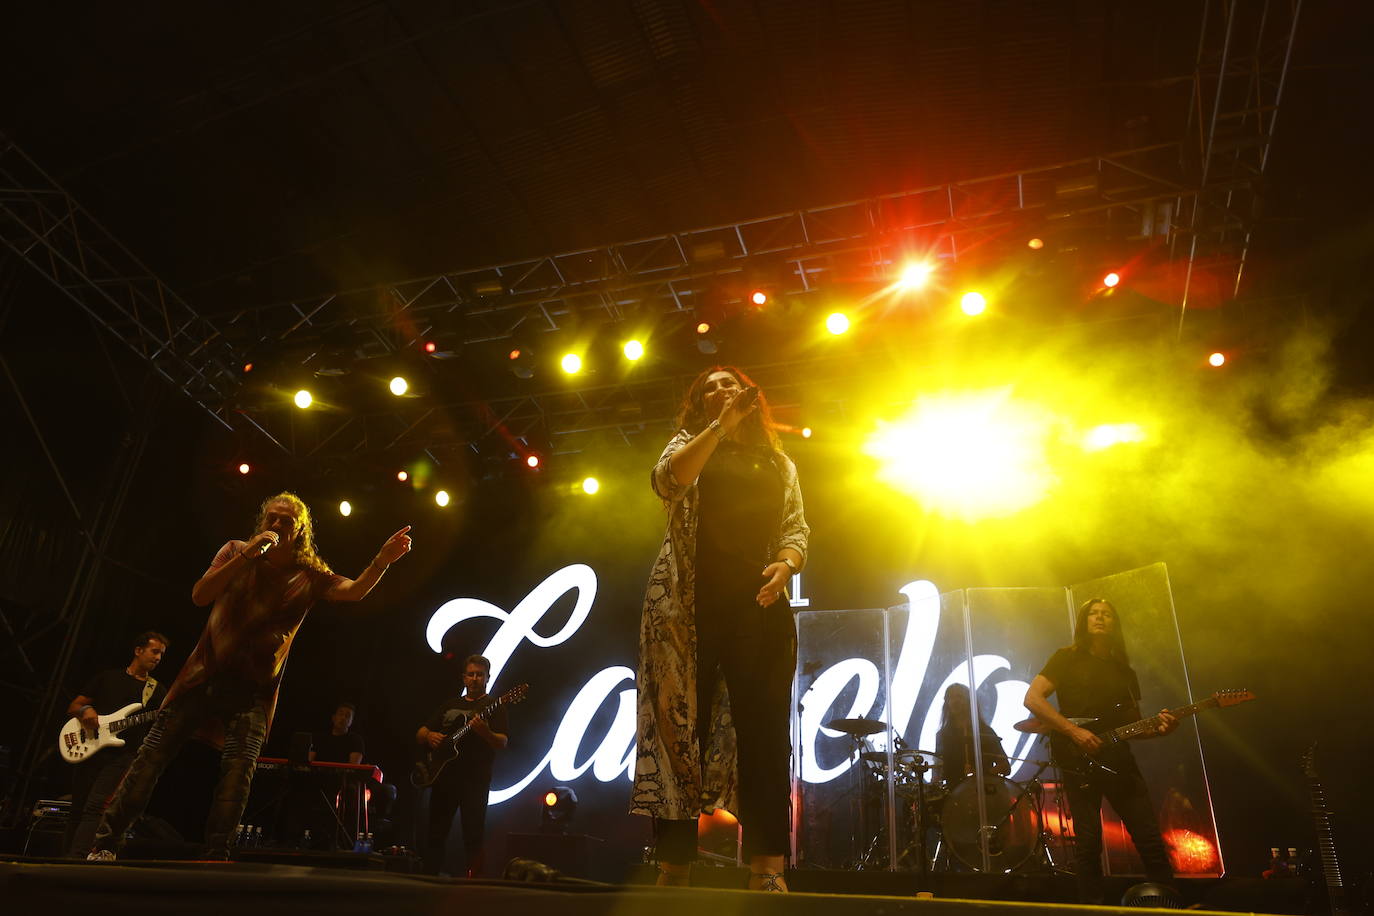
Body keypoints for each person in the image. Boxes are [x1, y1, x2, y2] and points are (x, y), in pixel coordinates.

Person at [87, 492, 412, 860]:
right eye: (271, 518)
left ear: (300, 528)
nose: (276, 524)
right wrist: (247, 554)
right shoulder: (235, 551)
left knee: (238, 774)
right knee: (150, 759)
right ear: (262, 522)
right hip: (201, 677)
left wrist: (381, 561)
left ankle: (217, 852)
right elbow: (200, 595)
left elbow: (353, 592)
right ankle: (105, 843)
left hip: (253, 690)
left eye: (286, 520)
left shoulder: (308, 575)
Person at [632, 366, 809, 893]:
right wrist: (719, 427)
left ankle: (767, 869)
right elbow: (669, 480)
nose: (720, 391)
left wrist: (788, 562)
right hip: (688, 614)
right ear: (698, 404)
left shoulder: (779, 462)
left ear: (751, 396)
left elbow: (795, 526)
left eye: (729, 384)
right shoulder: (689, 444)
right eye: (708, 387)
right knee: (681, 736)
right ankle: (674, 867)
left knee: (764, 736)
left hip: (758, 609)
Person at [1022, 598, 1178, 904]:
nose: (1100, 618)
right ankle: (1091, 909)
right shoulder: (1066, 658)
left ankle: (1171, 907)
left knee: (1149, 840)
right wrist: (1073, 731)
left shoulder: (1124, 670)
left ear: (1114, 623)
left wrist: (1162, 729)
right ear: (1084, 622)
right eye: (1093, 613)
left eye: (1106, 614)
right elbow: (1033, 699)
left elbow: (1134, 727)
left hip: (1119, 761)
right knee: (1088, 843)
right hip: (1078, 760)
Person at [63, 631, 170, 856]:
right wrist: (86, 711)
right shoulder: (107, 678)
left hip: (123, 755)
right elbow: (74, 705)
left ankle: (76, 859)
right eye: (155, 651)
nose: (158, 658)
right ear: (138, 651)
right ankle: (62, 858)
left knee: (95, 807)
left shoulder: (157, 691)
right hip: (90, 748)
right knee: (78, 807)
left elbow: (165, 722)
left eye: (161, 654)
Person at [416, 654, 509, 877]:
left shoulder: (493, 706)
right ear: (464, 678)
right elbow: (420, 732)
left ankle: (474, 887)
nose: (475, 678)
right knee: (436, 834)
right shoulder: (449, 705)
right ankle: (429, 881)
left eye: (480, 675)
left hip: (475, 780)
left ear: (487, 678)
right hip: (443, 777)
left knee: (473, 835)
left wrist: (485, 732)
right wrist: (430, 736)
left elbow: (503, 741)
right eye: (471, 674)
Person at [933, 683, 1009, 786]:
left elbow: (1005, 767)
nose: (955, 701)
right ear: (947, 703)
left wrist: (982, 775)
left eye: (959, 696)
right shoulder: (942, 735)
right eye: (950, 697)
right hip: (953, 794)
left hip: (983, 792)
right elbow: (937, 769)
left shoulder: (985, 732)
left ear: (969, 701)